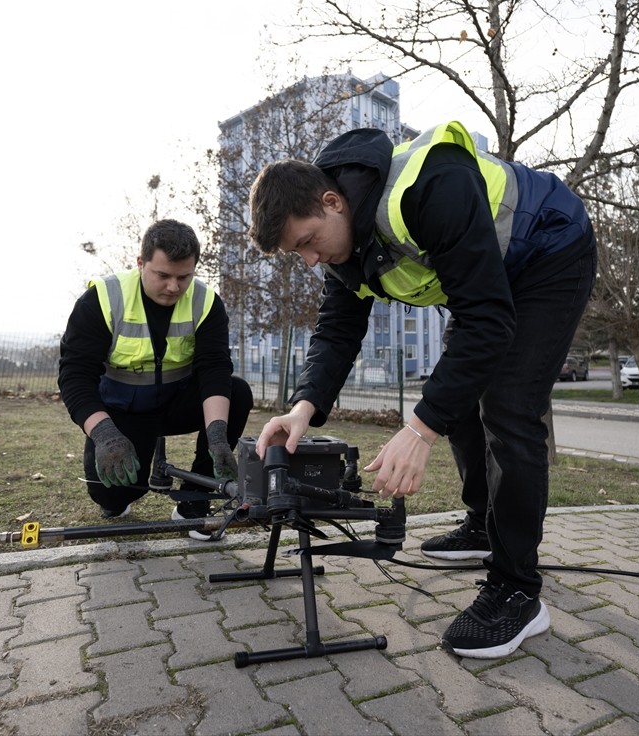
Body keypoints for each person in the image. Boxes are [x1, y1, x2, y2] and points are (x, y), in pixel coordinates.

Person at [249, 121, 596, 658]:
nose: (311, 260)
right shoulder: (344, 244)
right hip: (488, 282)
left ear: (332, 202)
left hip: (550, 249)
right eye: (299, 254)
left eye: (308, 242)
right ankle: (483, 525)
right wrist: (302, 409)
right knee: (457, 394)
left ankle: (517, 591)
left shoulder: (430, 186)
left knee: (509, 406)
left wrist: (419, 430)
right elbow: (337, 330)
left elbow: (488, 323)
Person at [59, 219, 253, 540]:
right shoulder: (102, 299)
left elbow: (214, 368)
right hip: (123, 412)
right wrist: (104, 435)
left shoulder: (206, 303)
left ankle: (194, 501)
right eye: (163, 275)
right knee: (112, 497)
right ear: (141, 263)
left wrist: (218, 435)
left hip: (178, 404)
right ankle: (116, 493)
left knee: (238, 392)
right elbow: (75, 375)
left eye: (183, 277)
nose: (174, 287)